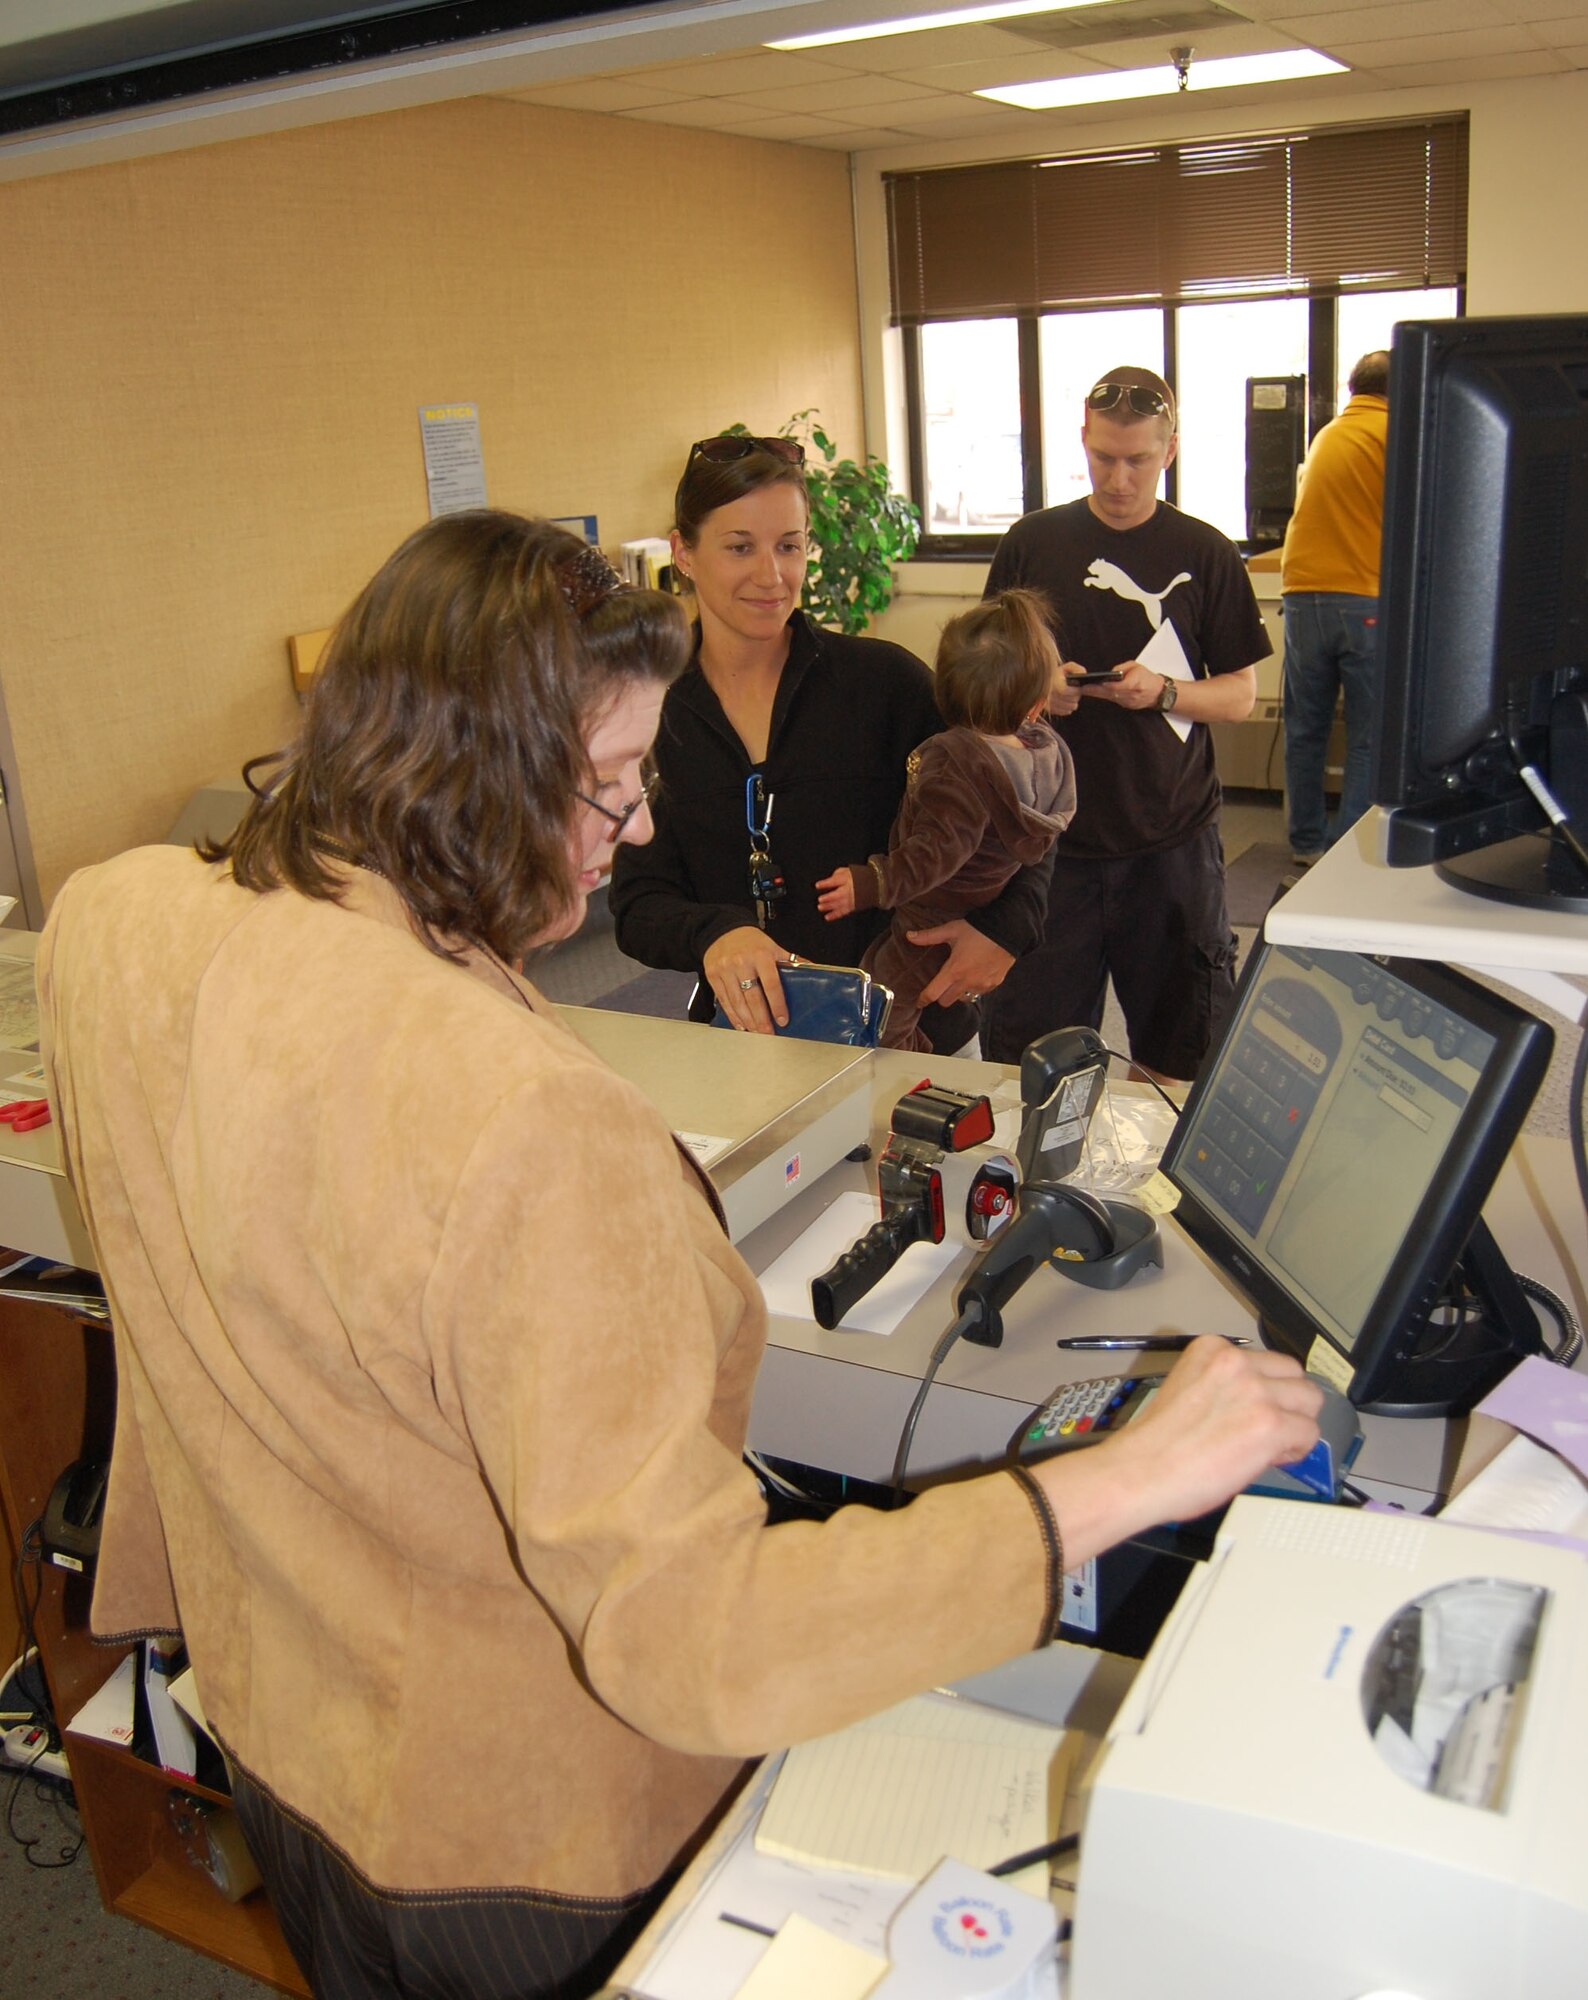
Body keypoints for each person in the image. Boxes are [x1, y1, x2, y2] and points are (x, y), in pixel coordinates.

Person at [40, 510, 1321, 2000]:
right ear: (460, 776)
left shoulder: (109, 914)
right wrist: (1120, 1482)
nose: (641, 824)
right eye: (608, 784)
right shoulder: (519, 1119)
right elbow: (692, 1641)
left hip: (282, 1720)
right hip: (512, 1833)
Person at [608, 435, 1054, 1054]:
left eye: (789, 546)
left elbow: (1026, 809)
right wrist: (716, 933)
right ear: (682, 552)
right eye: (740, 547)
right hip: (748, 1045)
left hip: (912, 1035)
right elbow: (636, 904)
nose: (772, 575)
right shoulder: (647, 712)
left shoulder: (886, 684)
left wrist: (1006, 931)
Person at [981, 367, 1271, 1085]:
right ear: (1082, 440)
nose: (1118, 478)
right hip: (1045, 846)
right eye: (1103, 457)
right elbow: (981, 682)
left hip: (1168, 845)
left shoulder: (1206, 552)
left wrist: (1166, 692)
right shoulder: (1032, 542)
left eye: (1137, 460)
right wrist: (1036, 688)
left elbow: (1239, 698)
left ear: (1168, 451)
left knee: (1180, 1060)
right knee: (1033, 1066)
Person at [814, 589, 1076, 1052]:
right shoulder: (1042, 751)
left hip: (935, 912)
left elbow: (934, 853)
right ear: (1036, 705)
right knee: (880, 974)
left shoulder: (956, 766)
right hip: (980, 899)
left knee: (883, 1003)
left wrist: (873, 882)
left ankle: (906, 1064)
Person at [1280, 349, 1391, 863]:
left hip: (1302, 596)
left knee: (1306, 729)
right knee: (1369, 733)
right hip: (1362, 595)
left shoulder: (1328, 434)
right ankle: (1346, 853)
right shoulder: (1395, 434)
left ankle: (1305, 844)